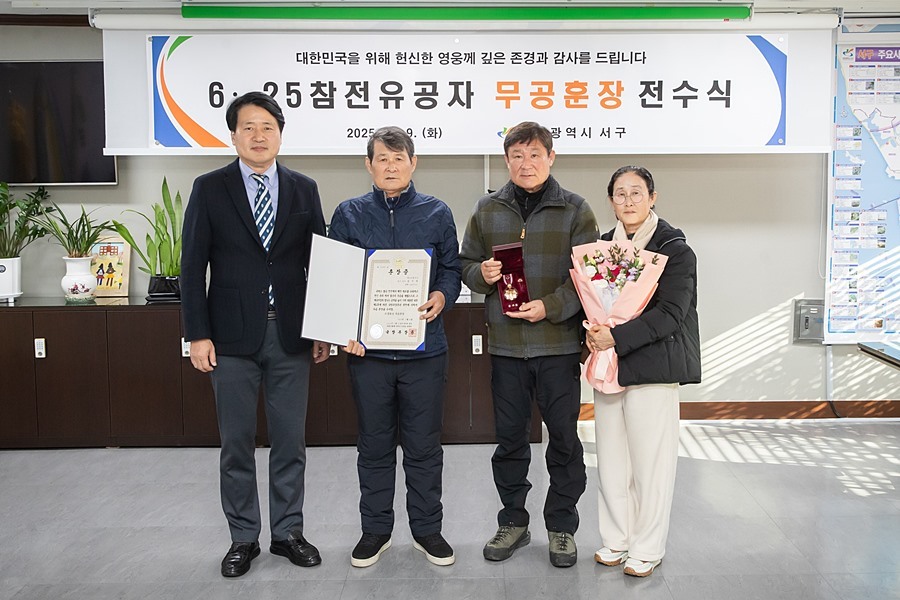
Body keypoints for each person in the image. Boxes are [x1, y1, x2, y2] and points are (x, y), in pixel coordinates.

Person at [181, 91, 331, 578]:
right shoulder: (210, 188)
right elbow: (191, 266)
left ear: (280, 134)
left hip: (290, 334)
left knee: (290, 441)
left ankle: (288, 533)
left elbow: (318, 263)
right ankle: (243, 538)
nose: (259, 135)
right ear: (234, 136)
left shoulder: (304, 188)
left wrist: (323, 326)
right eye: (248, 127)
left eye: (268, 127)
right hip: (229, 339)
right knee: (236, 444)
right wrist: (197, 334)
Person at [459, 121, 598, 568]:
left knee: (564, 441)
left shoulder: (575, 209)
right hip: (506, 347)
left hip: (557, 346)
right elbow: (465, 265)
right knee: (510, 441)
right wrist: (482, 274)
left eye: (535, 154)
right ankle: (513, 521)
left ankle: (561, 526)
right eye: (517, 155)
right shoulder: (487, 209)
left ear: (550, 157)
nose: (526, 163)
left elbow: (588, 279)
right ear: (507, 160)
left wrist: (550, 306)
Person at [329, 126, 462, 568]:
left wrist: (442, 295)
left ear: (413, 162)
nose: (391, 166)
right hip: (368, 355)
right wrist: (344, 328)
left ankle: (427, 530)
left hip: (425, 352)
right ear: (368, 165)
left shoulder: (436, 212)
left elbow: (451, 269)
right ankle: (375, 531)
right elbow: (338, 279)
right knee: (374, 446)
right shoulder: (348, 214)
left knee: (424, 447)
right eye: (382, 159)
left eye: (398, 158)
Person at [586, 165, 700, 577]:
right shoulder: (600, 249)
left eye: (637, 192)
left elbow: (671, 313)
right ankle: (616, 539)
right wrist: (593, 331)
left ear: (652, 197)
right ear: (611, 201)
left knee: (651, 465)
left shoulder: (676, 250)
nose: (628, 200)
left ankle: (647, 547)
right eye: (620, 193)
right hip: (610, 365)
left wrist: (614, 337)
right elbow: (592, 301)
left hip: (653, 365)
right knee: (611, 460)